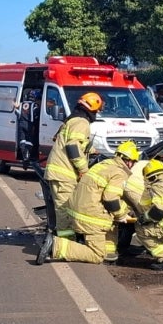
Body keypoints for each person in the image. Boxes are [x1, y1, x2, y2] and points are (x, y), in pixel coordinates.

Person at [37, 141, 139, 265]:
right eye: (134, 163)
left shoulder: (103, 165)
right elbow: (111, 199)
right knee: (97, 255)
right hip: (89, 217)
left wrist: (122, 211)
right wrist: (121, 215)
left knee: (112, 220)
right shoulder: (119, 173)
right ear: (129, 161)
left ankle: (110, 254)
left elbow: (101, 194)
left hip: (75, 212)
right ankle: (55, 246)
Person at [43, 92, 103, 240]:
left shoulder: (72, 119)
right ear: (93, 109)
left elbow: (62, 139)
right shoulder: (81, 122)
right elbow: (72, 146)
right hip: (64, 173)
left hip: (60, 171)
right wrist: (83, 170)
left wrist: (91, 150)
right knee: (65, 210)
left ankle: (66, 241)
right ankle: (65, 245)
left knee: (67, 208)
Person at [15, 89, 40, 168]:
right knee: (29, 141)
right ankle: (27, 156)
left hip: (21, 124)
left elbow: (17, 112)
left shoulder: (21, 104)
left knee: (22, 140)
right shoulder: (34, 105)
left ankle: (24, 156)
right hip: (30, 125)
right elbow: (36, 115)